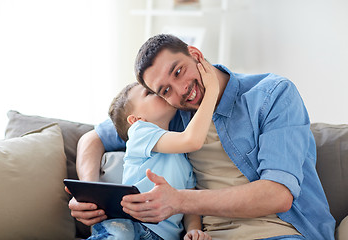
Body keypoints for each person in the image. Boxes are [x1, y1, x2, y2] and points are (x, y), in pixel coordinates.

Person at [69, 34, 336, 240]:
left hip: (278, 231)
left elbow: (278, 194)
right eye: (164, 90)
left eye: (178, 71)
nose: (182, 90)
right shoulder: (168, 115)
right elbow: (91, 139)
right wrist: (90, 193)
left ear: (195, 54)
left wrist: (178, 200)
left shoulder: (272, 95)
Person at [80, 57, 217, 240]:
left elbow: (188, 202)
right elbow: (191, 140)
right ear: (135, 119)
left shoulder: (184, 158)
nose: (160, 92)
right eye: (149, 93)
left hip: (162, 237)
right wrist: (211, 92)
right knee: (119, 236)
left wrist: (193, 230)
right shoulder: (140, 133)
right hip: (130, 224)